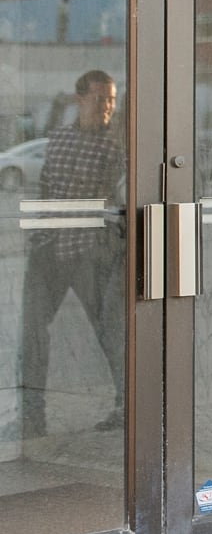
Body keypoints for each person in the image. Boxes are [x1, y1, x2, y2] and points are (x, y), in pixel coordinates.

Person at [18, 69, 125, 439]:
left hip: (89, 251)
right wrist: (37, 235)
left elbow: (118, 198)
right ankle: (32, 418)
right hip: (50, 247)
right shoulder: (59, 139)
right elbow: (47, 189)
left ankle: (126, 406)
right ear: (80, 100)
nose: (108, 106)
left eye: (112, 99)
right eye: (101, 98)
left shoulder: (116, 144)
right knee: (32, 333)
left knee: (111, 331)